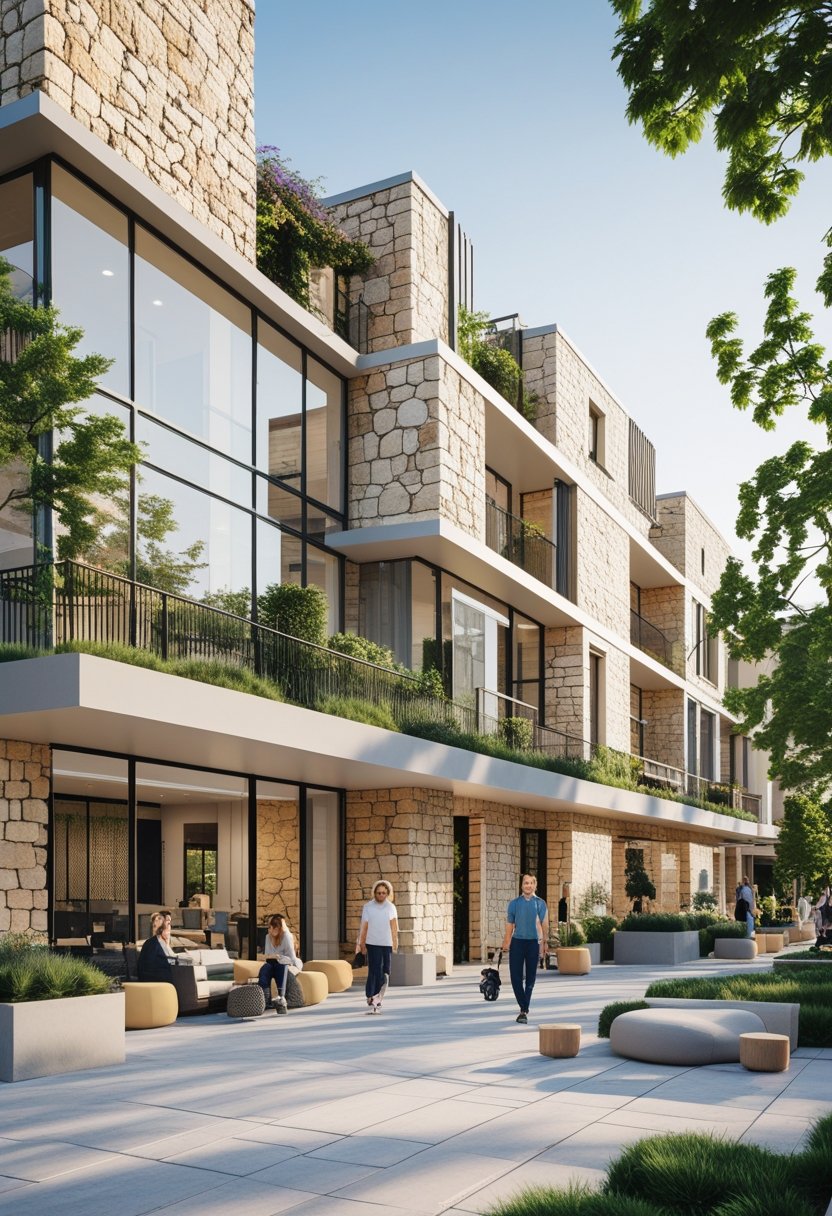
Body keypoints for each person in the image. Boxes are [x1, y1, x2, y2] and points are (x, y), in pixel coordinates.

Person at [500, 874, 548, 1025]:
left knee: (531, 978)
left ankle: (523, 1010)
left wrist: (545, 943)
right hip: (517, 943)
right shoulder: (514, 904)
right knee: (515, 977)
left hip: (533, 943)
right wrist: (506, 942)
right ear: (522, 885)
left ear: (535, 885)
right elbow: (509, 925)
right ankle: (524, 1005)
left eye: (530, 883)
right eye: (525, 883)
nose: (528, 886)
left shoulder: (540, 903)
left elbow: (545, 924)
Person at [358, 879, 398, 1014]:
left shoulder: (391, 907)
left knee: (385, 971)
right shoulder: (368, 907)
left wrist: (395, 942)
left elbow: (394, 927)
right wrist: (361, 944)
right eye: (379, 893)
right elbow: (364, 927)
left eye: (384, 893)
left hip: (386, 944)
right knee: (374, 970)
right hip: (372, 943)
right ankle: (373, 997)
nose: (381, 895)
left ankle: (377, 996)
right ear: (374, 893)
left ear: (387, 894)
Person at [259, 913, 302, 1013]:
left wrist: (279, 957)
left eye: (271, 928)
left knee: (280, 967)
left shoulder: (286, 936)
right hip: (273, 962)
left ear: (277, 928)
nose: (269, 930)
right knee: (265, 969)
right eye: (269, 928)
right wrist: (272, 957)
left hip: (288, 963)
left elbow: (291, 958)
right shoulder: (267, 937)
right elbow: (267, 955)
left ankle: (281, 998)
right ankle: (264, 999)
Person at [137, 911, 175, 982]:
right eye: (168, 923)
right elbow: (148, 969)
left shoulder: (164, 942)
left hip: (163, 980)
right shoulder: (152, 944)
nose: (170, 927)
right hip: (156, 982)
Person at [810, 884, 832, 953]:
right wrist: (815, 909)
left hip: (828, 931)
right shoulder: (824, 900)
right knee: (819, 948)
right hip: (824, 931)